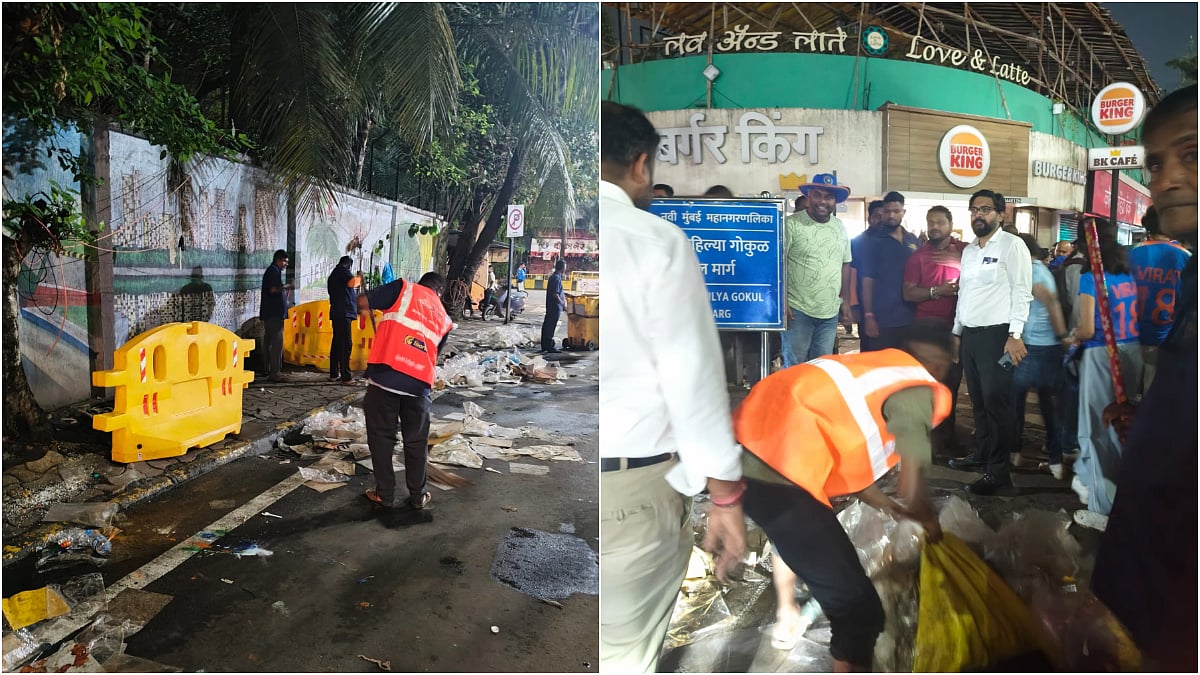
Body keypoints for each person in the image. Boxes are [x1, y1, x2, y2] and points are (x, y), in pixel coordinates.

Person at [598, 101, 746, 673]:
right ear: (640, 164)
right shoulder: (655, 241)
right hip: (635, 493)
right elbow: (693, 385)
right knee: (623, 655)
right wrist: (726, 498)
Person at [734, 320, 951, 671]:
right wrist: (925, 517)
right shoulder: (919, 389)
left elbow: (846, 436)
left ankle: (787, 610)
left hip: (752, 447)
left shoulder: (880, 369)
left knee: (799, 541)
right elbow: (912, 486)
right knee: (859, 612)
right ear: (940, 367)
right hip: (781, 471)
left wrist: (885, 504)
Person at [1091, 83, 1197, 672]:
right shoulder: (1191, 269)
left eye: (1192, 154)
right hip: (1145, 572)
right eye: (1155, 162)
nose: (1167, 179)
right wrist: (1152, 414)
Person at [947, 190, 1033, 495]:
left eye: (985, 209)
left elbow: (1023, 292)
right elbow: (964, 294)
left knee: (998, 404)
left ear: (1001, 214)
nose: (978, 215)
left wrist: (1015, 335)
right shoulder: (970, 251)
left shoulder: (1013, 246)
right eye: (973, 210)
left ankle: (998, 473)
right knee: (979, 403)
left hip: (999, 338)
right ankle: (982, 455)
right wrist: (957, 334)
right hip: (971, 337)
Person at [360, 272, 454, 510]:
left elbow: (363, 302)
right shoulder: (444, 317)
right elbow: (434, 352)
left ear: (421, 283)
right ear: (439, 292)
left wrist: (359, 300)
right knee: (416, 441)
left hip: (386, 376)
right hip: (419, 385)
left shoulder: (404, 289)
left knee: (382, 438)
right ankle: (418, 495)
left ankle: (385, 494)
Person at [1067, 227, 1142, 522]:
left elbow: (1086, 329)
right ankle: (1126, 493)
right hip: (1131, 350)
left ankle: (1102, 507)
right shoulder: (1126, 275)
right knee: (1124, 425)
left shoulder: (1090, 278)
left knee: (1097, 427)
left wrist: (1070, 339)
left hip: (1103, 354)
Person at [902, 205, 966, 455]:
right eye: (931, 222)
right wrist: (938, 291)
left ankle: (946, 440)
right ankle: (921, 439)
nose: (934, 227)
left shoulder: (965, 252)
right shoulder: (917, 257)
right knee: (926, 386)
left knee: (951, 385)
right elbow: (908, 293)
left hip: (957, 329)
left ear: (951, 225)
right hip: (926, 330)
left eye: (940, 222)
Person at [1010, 234, 1069, 479]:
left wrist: (1063, 335)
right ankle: (1055, 460)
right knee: (1047, 404)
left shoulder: (1032, 273)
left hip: (1034, 346)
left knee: (1015, 402)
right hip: (1046, 346)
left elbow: (1051, 302)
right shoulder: (1040, 269)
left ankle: (1015, 452)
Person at [781, 174, 853, 366]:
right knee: (795, 368)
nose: (823, 201)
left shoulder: (840, 227)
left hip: (829, 313)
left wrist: (845, 301)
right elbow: (777, 262)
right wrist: (781, 300)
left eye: (828, 197)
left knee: (822, 368)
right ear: (809, 196)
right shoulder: (791, 225)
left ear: (834, 201)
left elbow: (845, 263)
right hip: (797, 311)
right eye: (817, 195)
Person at [1127, 206, 1190, 390]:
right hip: (1166, 340)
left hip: (1129, 337)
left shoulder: (1129, 254)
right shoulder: (1186, 258)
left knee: (1124, 401)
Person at [860, 191, 919, 351]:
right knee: (881, 368)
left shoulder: (912, 240)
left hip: (910, 317)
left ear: (903, 212)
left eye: (896, 211)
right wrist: (869, 316)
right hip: (883, 319)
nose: (891, 215)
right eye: (887, 211)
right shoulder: (872, 242)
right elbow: (867, 280)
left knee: (906, 366)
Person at [849, 200, 885, 349]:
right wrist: (854, 306)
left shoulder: (890, 241)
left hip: (889, 307)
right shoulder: (858, 242)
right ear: (869, 218)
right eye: (877, 216)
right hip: (865, 306)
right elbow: (851, 274)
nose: (881, 220)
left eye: (884, 216)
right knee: (869, 347)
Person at [259, 249, 293, 382]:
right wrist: (287, 285)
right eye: (285, 261)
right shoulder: (273, 271)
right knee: (276, 342)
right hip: (274, 314)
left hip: (271, 313)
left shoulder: (274, 271)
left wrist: (285, 290)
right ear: (278, 260)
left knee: (269, 342)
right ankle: (275, 373)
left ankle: (267, 369)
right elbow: (273, 289)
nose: (286, 264)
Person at [327, 255, 358, 384]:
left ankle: (334, 373)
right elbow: (353, 282)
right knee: (346, 344)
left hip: (336, 312)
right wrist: (360, 278)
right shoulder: (343, 271)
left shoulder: (333, 275)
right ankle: (346, 376)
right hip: (344, 312)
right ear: (349, 265)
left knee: (337, 343)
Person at [541, 259, 566, 353]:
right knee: (550, 326)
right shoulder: (556, 278)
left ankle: (546, 345)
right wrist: (562, 303)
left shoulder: (554, 277)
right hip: (554, 307)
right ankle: (548, 346)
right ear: (563, 268)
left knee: (548, 325)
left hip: (552, 306)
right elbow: (555, 294)